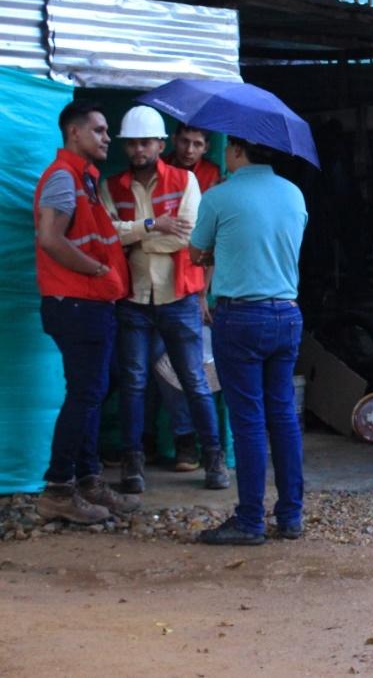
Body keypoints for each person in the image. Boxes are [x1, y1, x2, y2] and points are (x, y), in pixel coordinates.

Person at [100, 106, 228, 493]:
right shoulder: (113, 185)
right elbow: (108, 236)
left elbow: (185, 238)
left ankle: (213, 459)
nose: (138, 149)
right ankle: (132, 465)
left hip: (179, 295)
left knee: (193, 380)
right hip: (133, 298)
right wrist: (153, 224)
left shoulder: (186, 179)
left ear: (159, 144)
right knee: (135, 383)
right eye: (132, 142)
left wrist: (133, 235)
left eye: (145, 142)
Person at [190, 137, 307, 545]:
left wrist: (215, 253)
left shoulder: (219, 196)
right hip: (287, 314)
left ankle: (250, 520)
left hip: (240, 317)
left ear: (238, 150)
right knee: (284, 416)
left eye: (228, 149)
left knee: (248, 420)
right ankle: (291, 517)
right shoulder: (294, 194)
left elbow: (195, 251)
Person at [32, 100, 139, 523]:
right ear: (74, 133)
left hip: (89, 303)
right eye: (99, 130)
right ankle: (59, 488)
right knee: (86, 393)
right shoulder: (64, 178)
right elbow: (50, 238)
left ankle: (88, 480)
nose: (107, 138)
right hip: (76, 302)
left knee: (94, 390)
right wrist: (97, 270)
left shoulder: (86, 179)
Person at [160, 122, 224, 469]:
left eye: (197, 143)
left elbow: (211, 241)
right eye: (184, 141)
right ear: (174, 140)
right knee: (161, 369)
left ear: (206, 147)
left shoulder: (211, 175)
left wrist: (203, 293)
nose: (189, 149)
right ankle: (180, 440)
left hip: (196, 283)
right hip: (158, 279)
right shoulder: (162, 168)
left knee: (196, 371)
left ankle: (206, 448)